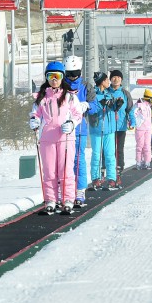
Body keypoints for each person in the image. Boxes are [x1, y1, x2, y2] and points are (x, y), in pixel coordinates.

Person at [30, 61, 85, 214]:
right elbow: (35, 113)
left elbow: (78, 113)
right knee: (49, 171)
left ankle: (67, 199)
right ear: (46, 77)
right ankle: (51, 200)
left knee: (66, 169)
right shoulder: (42, 98)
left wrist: (72, 123)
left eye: (57, 76)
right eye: (51, 76)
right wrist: (34, 121)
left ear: (62, 77)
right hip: (47, 138)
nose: (54, 79)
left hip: (65, 137)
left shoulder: (69, 96)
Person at [62, 56, 91, 207]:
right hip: (62, 130)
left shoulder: (86, 86)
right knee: (63, 161)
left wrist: (88, 105)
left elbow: (94, 102)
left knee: (78, 160)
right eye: (69, 73)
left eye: (75, 73)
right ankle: (65, 190)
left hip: (79, 129)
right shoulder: (60, 85)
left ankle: (80, 189)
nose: (72, 77)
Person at [87, 72, 118, 191]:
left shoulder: (109, 93)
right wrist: (101, 105)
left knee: (110, 155)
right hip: (97, 129)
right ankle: (96, 178)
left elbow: (112, 107)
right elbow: (91, 108)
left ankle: (111, 179)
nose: (108, 82)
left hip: (109, 129)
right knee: (96, 155)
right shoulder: (93, 94)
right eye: (106, 80)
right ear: (102, 81)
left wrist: (116, 105)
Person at [108, 70, 133, 181]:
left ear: (121, 79)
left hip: (121, 126)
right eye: (114, 77)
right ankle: (108, 169)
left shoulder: (125, 93)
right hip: (109, 126)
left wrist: (132, 121)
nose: (116, 79)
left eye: (118, 77)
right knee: (109, 149)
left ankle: (119, 169)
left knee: (119, 149)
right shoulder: (106, 92)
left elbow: (130, 109)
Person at [133, 89, 152, 169]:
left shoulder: (148, 106)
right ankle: (138, 162)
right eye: (150, 98)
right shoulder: (139, 104)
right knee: (140, 146)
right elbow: (134, 113)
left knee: (147, 145)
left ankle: (147, 162)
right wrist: (138, 121)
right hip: (140, 128)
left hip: (148, 128)